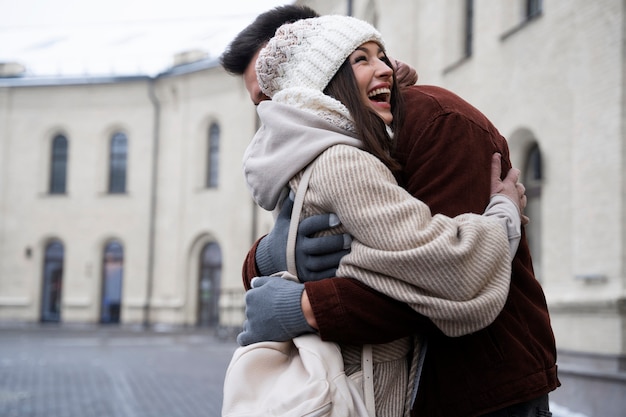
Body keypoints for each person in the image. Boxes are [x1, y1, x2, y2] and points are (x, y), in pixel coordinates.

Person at [221, 5, 559, 417]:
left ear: (315, 68)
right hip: (390, 391)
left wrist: (305, 306)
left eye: (281, 81)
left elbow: (438, 277)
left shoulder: (434, 122)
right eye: (263, 98)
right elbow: (320, 251)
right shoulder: (322, 144)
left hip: (480, 389)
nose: (277, 104)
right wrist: (266, 257)